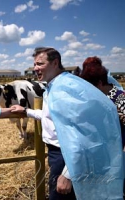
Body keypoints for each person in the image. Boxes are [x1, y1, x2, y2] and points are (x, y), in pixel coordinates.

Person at [11, 47, 124, 199]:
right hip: (60, 155)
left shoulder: (65, 89)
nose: (35, 68)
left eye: (40, 64)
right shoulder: (54, 86)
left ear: (55, 63)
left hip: (65, 157)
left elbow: (83, 132)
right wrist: (26, 111)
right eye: (34, 65)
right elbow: (52, 117)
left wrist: (68, 173)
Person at [80, 56, 125, 148]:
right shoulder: (96, 98)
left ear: (100, 83)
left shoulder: (121, 99)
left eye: (90, 88)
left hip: (115, 152)